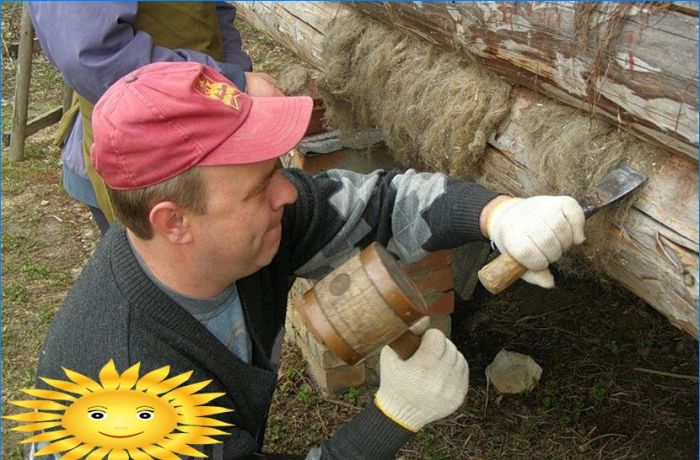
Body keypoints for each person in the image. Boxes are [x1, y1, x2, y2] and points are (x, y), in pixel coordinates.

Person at [33, 62, 586, 459]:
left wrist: (500, 215)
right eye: (259, 187)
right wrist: (391, 416)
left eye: (275, 171)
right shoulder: (126, 396)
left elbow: (383, 203)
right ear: (173, 221)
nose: (289, 194)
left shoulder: (236, 236)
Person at [29, 2, 282, 236]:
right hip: (145, 156)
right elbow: (94, 59)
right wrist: (225, 83)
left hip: (211, 126)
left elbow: (214, 12)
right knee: (182, 273)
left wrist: (233, 87)